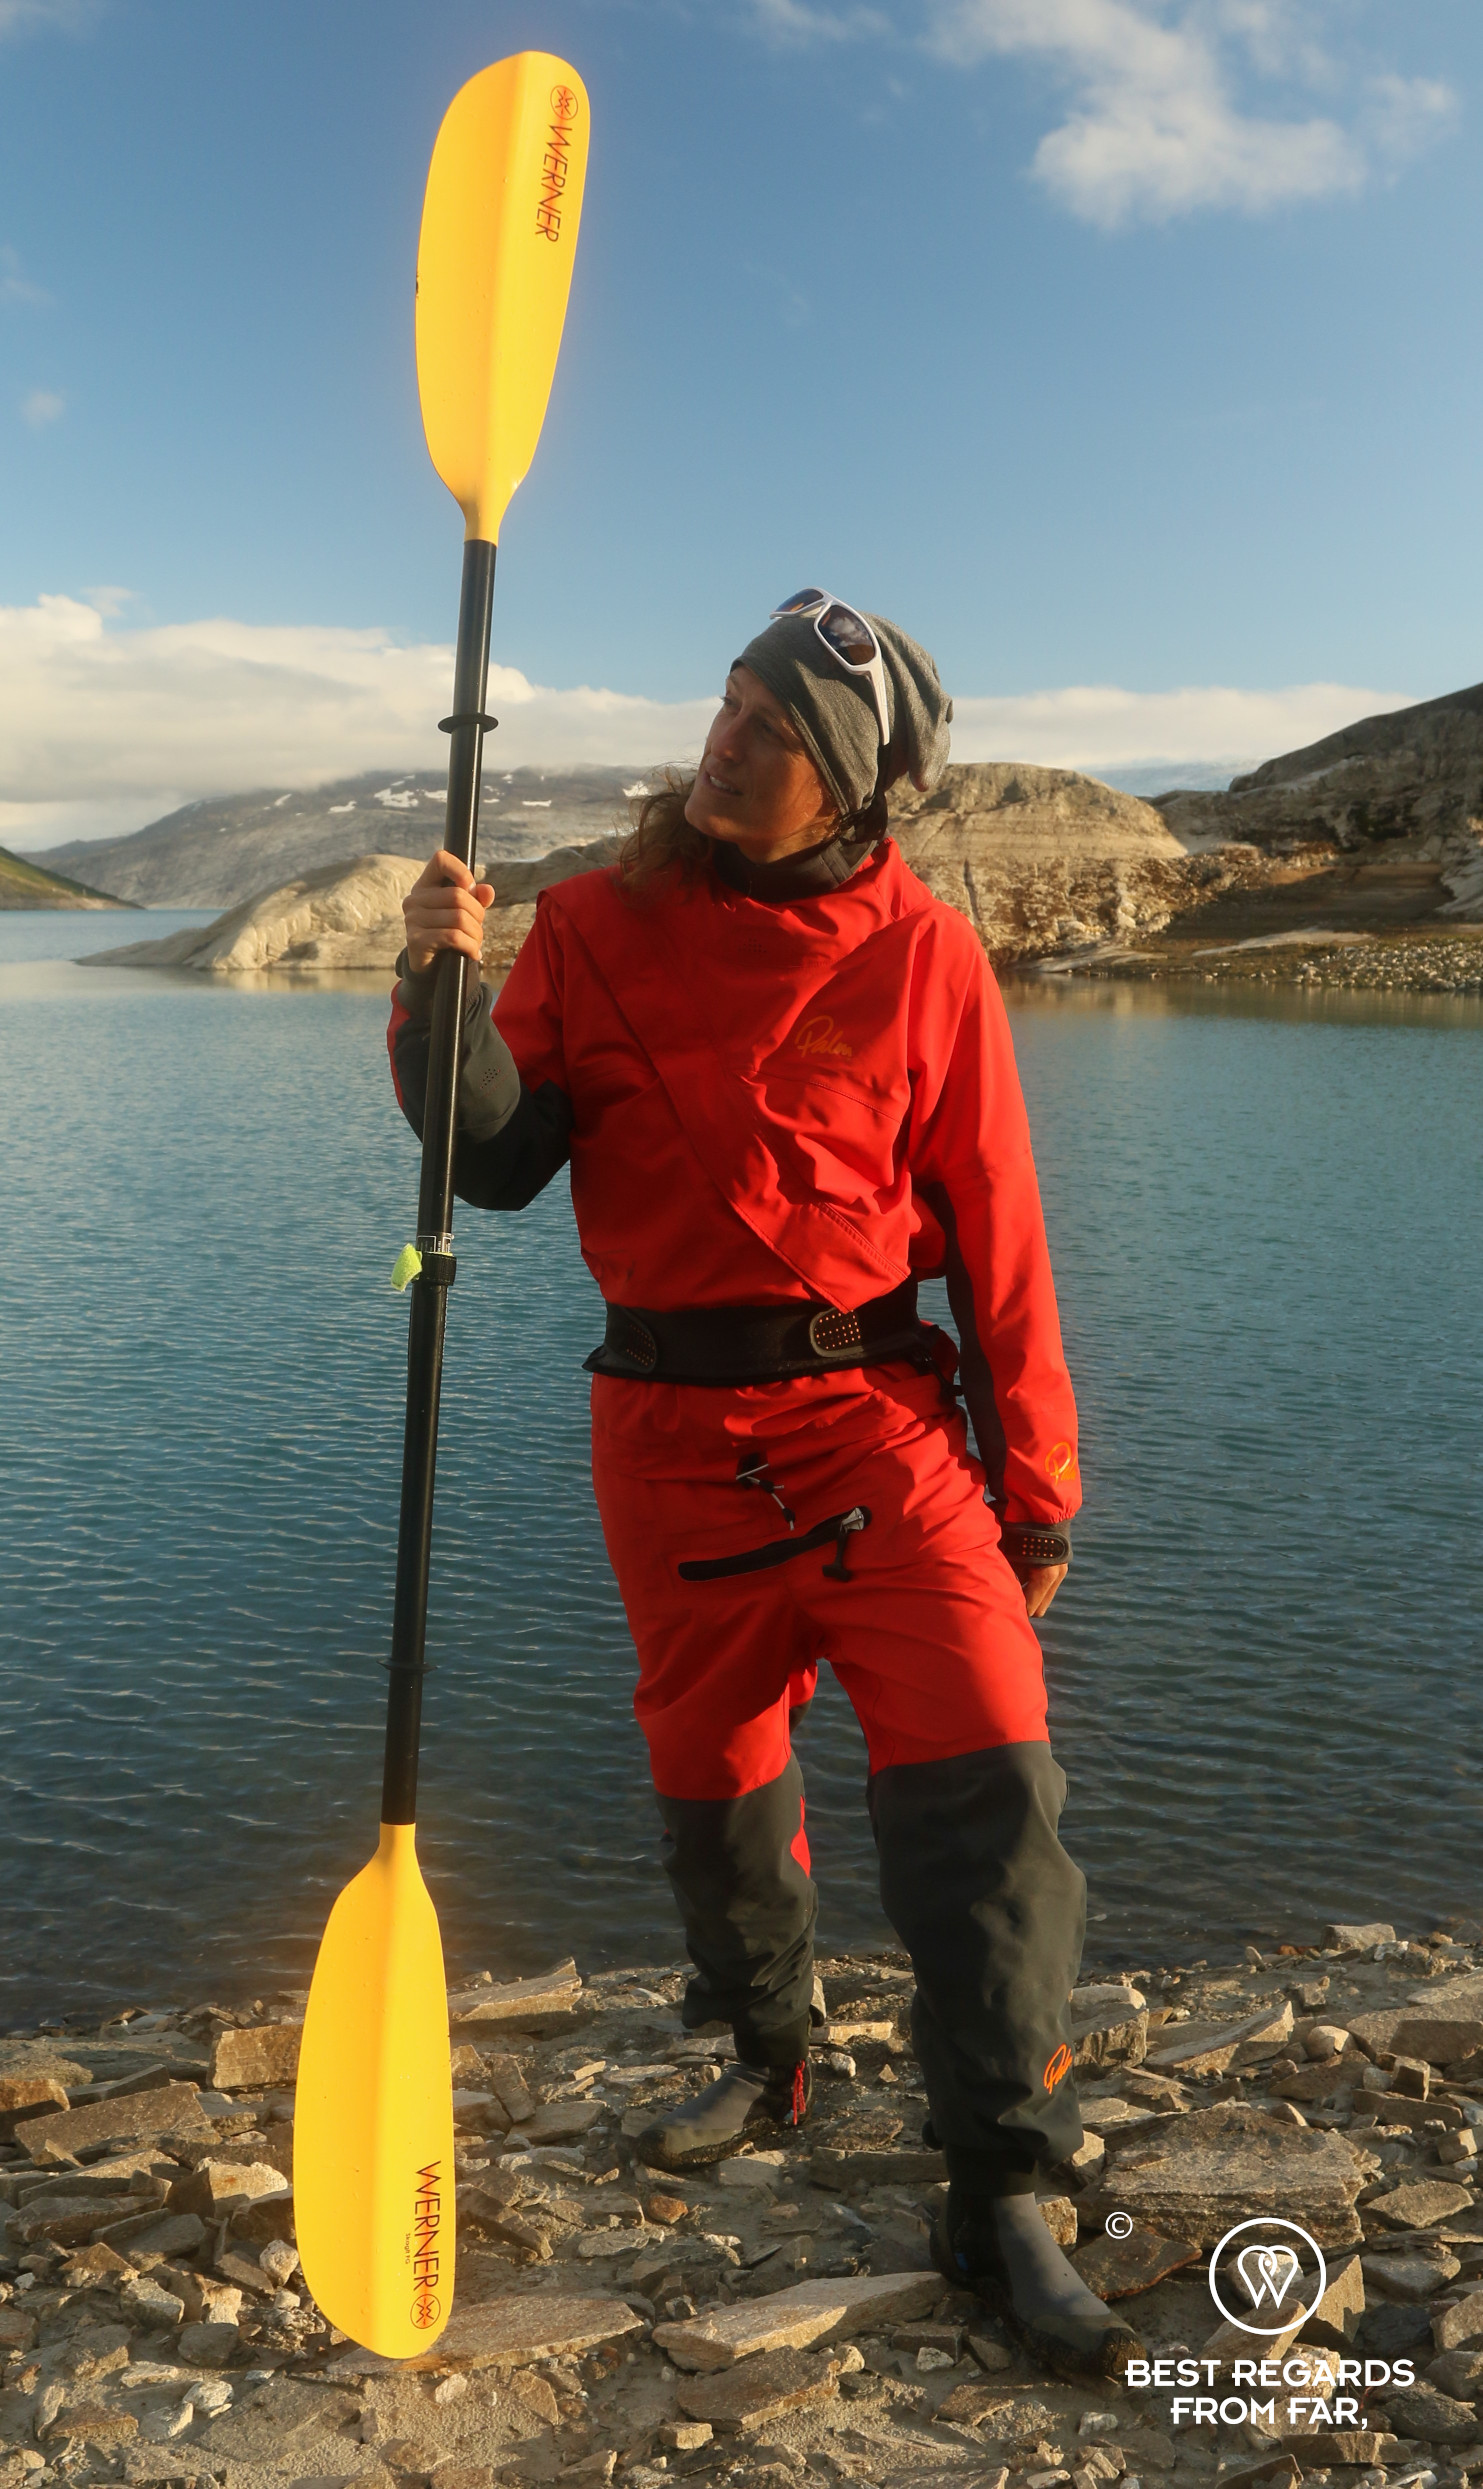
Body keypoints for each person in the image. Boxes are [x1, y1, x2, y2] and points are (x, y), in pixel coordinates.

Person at [389, 594, 1137, 2381]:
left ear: (855, 790)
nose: (724, 742)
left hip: (876, 1425)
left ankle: (1002, 2182)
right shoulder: (592, 922)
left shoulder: (927, 954)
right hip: (665, 1437)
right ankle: (766, 2050)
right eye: (729, 701)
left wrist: (1037, 1486)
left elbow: (1001, 1233)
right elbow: (493, 1157)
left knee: (989, 1763)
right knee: (713, 1771)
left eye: (776, 730)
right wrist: (439, 993)